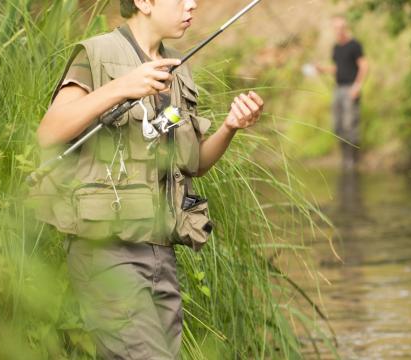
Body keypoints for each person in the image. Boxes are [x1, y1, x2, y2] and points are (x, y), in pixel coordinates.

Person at [34, 0, 264, 358]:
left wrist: (230, 128)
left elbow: (193, 163)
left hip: (160, 252)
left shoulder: (179, 70)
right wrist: (121, 87)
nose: (193, 5)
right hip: (105, 250)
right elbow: (49, 133)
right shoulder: (97, 53)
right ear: (143, 2)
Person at [317, 16, 368, 169]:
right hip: (338, 90)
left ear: (345, 28)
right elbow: (338, 68)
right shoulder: (336, 48)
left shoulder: (354, 45)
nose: (338, 31)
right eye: (335, 28)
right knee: (337, 125)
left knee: (350, 124)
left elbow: (364, 66)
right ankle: (345, 158)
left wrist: (357, 86)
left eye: (341, 27)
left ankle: (353, 160)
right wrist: (323, 69)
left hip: (351, 88)